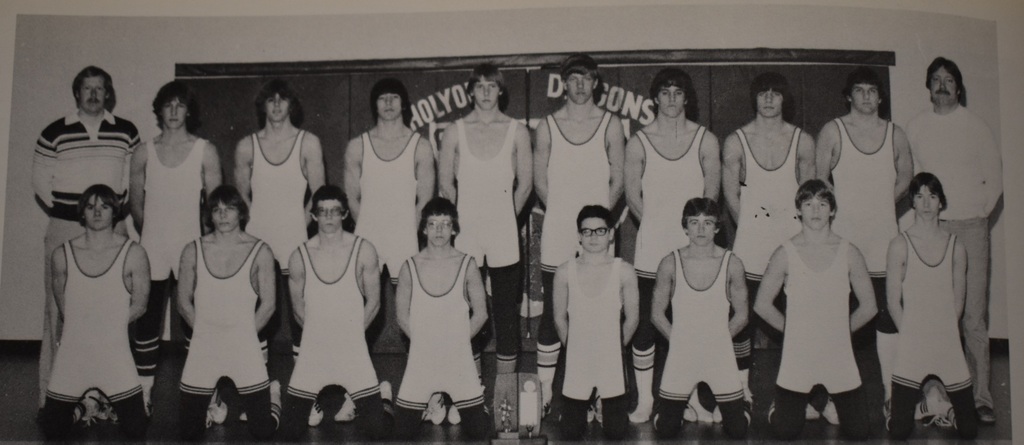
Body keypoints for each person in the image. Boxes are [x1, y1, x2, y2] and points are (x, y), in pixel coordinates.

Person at [32, 66, 140, 410]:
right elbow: (39, 182)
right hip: (66, 228)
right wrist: (74, 213)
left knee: (118, 312)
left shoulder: (125, 131)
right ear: (76, 93)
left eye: (99, 89)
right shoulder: (54, 132)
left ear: (108, 94)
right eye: (87, 89)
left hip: (114, 230)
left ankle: (113, 400)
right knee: (58, 312)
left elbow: (131, 179)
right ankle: (52, 399)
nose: (93, 94)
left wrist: (110, 215)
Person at [905, 57, 1002, 425]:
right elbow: (912, 180)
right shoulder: (916, 127)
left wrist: (978, 214)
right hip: (933, 230)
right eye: (935, 80)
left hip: (971, 227)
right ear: (928, 87)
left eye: (949, 80)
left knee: (973, 315)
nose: (942, 85)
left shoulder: (976, 126)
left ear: (958, 87)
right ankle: (935, 391)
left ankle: (980, 397)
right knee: (934, 312)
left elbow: (995, 178)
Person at [623, 68, 721, 423]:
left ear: (687, 98)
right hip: (652, 248)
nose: (671, 99)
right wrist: (656, 226)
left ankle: (693, 395)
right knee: (648, 325)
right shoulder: (639, 141)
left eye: (678, 92)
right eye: (664, 93)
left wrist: (698, 236)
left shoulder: (706, 140)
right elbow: (633, 195)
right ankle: (646, 399)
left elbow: (711, 195)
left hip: (694, 249)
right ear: (655, 98)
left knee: (691, 323)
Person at [815, 66, 913, 412]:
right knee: (840, 316)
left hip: (884, 237)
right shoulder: (833, 130)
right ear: (849, 95)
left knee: (887, 314)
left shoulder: (895, 134)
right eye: (860, 90)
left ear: (881, 97)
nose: (867, 96)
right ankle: (829, 395)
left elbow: (906, 179)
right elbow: (819, 180)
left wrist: (881, 202)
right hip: (846, 239)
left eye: (873, 90)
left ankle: (891, 393)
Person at [534, 54, 625, 411]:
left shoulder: (610, 123)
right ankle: (545, 391)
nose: (580, 84)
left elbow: (617, 178)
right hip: (559, 228)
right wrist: (562, 216)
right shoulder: (548, 125)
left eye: (586, 78)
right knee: (552, 313)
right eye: (573, 78)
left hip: (597, 232)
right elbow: (541, 180)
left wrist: (599, 220)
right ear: (564, 83)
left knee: (601, 310)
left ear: (596, 82)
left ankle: (602, 389)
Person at [754, 179, 875, 441]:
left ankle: (829, 403)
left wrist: (840, 332)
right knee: (786, 431)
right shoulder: (785, 252)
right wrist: (794, 331)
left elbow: (869, 306)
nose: (816, 210)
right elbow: (761, 304)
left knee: (859, 432)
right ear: (798, 210)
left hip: (838, 352)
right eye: (808, 204)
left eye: (822, 204)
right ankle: (784, 406)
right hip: (799, 353)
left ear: (832, 210)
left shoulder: (849, 252)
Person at [721, 71, 813, 411]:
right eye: (764, 93)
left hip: (791, 246)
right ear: (755, 99)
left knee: (797, 319)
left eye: (776, 93)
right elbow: (731, 197)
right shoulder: (736, 141)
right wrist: (752, 225)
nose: (770, 99)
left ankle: (799, 391)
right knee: (741, 318)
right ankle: (740, 389)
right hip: (751, 243)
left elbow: (810, 195)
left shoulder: (803, 140)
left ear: (784, 98)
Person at [128, 80, 221, 411]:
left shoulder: (204, 151)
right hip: (153, 248)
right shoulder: (143, 152)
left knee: (195, 323)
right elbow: (136, 208)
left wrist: (200, 249)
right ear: (158, 110)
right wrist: (152, 236)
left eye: (180, 105)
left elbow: (216, 209)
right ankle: (143, 392)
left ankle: (206, 395)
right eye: (167, 105)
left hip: (190, 251)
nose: (173, 111)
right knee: (147, 321)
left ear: (188, 111)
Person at [438, 63, 532, 375]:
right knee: (466, 312)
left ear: (500, 90)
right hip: (466, 233)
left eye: (492, 86)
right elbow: (445, 187)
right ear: (470, 91)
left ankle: (505, 394)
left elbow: (526, 186)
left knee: (506, 315)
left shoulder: (517, 131)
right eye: (479, 86)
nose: (486, 92)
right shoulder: (455, 131)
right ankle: (471, 387)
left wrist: (503, 217)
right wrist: (463, 225)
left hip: (503, 234)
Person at [279, 185, 392, 440]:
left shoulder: (364, 250)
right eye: (322, 211)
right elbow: (298, 310)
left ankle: (383, 397)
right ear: (313, 216)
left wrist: (350, 336)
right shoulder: (299, 255)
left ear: (344, 215)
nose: (329, 217)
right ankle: (278, 396)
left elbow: (374, 303)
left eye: (334, 211)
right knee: (289, 431)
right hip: (314, 349)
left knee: (377, 431)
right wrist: (319, 337)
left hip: (352, 348)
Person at [40, 184, 150, 440]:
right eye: (90, 207)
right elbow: (63, 305)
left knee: (136, 429)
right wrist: (84, 326)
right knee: (52, 429)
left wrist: (108, 326)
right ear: (82, 213)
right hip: (74, 355)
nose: (97, 212)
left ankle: (95, 404)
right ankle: (86, 405)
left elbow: (140, 305)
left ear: (115, 211)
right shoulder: (62, 255)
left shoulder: (134, 253)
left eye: (104, 206)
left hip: (115, 353)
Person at [176, 185, 281, 441]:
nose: (223, 215)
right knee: (189, 433)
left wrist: (242, 337)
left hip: (243, 346)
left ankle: (273, 395)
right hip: (205, 345)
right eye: (216, 210)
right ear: (209, 215)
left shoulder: (261, 250)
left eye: (229, 209)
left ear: (240, 213)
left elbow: (269, 305)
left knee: (262, 430)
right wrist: (204, 334)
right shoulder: (193, 249)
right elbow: (183, 302)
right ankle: (215, 402)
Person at [235, 79, 325, 361]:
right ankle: (257, 375)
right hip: (258, 235)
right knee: (256, 306)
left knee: (301, 307)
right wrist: (255, 223)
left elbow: (320, 195)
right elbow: (241, 199)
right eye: (270, 99)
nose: (276, 105)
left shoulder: (308, 142)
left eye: (282, 99)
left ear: (291, 105)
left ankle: (305, 376)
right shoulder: (247, 146)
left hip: (294, 235)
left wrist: (300, 220)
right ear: (262, 105)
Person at [885, 173, 977, 440]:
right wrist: (911, 337)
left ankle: (943, 408)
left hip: (946, 342)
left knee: (970, 431)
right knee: (899, 432)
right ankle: (917, 407)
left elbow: (958, 302)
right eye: (920, 195)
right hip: (912, 345)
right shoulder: (899, 244)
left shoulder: (956, 247)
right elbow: (893, 302)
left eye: (932, 196)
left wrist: (943, 333)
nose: (926, 202)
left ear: (941, 203)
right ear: (912, 202)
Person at [344, 77, 435, 344]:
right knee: (361, 309)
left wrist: (406, 230)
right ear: (374, 104)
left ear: (404, 103)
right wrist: (369, 230)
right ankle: (356, 377)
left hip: (404, 237)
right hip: (367, 237)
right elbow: (352, 198)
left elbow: (425, 200)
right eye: (382, 98)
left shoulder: (420, 145)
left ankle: (416, 378)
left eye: (394, 97)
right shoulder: (358, 145)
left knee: (410, 312)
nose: (388, 103)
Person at [392, 198, 490, 441]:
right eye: (432, 224)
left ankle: (471, 401)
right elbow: (401, 316)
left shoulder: (467, 264)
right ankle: (420, 402)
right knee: (402, 433)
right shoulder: (409, 266)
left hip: (458, 358)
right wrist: (424, 343)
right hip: (421, 359)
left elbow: (481, 314)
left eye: (445, 224)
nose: (438, 230)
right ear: (423, 228)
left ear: (454, 228)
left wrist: (457, 342)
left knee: (480, 432)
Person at [650, 198, 748, 439]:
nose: (701, 229)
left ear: (717, 227)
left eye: (708, 223)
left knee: (738, 430)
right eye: (694, 222)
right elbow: (656, 314)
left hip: (718, 352)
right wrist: (680, 342)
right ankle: (680, 403)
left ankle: (743, 402)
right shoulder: (669, 262)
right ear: (685, 227)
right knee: (666, 429)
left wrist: (718, 341)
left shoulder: (732, 263)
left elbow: (742, 315)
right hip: (683, 353)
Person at [552, 205, 639, 440]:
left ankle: (602, 402)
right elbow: (559, 319)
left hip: (610, 359)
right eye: (587, 231)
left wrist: (615, 348)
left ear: (611, 233)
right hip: (578, 358)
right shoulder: (564, 272)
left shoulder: (624, 271)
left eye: (600, 231)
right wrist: (576, 348)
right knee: (570, 433)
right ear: (579, 235)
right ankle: (585, 403)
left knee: (616, 433)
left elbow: (632, 319)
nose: (593, 237)